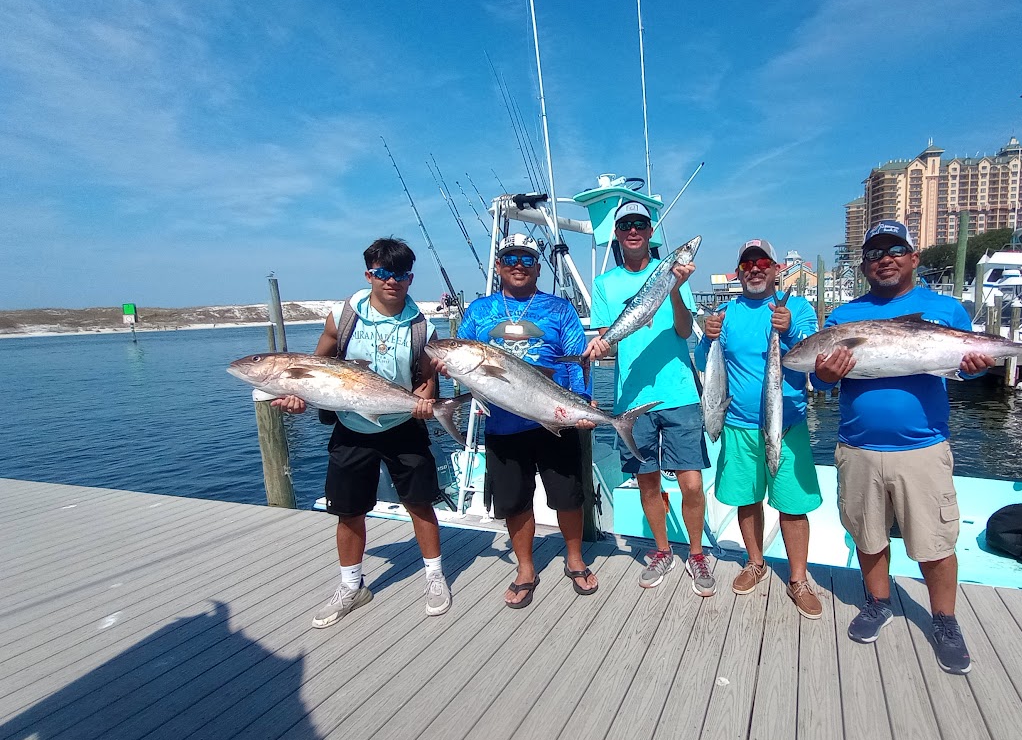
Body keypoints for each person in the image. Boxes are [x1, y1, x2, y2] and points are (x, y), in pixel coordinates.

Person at [813, 220, 995, 674]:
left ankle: (945, 620)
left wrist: (974, 368)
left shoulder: (946, 309)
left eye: (895, 249)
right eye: (874, 253)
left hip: (923, 448)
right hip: (856, 447)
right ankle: (878, 602)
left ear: (914, 257)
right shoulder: (844, 317)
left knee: (934, 542)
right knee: (868, 536)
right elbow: (818, 377)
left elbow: (967, 368)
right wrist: (825, 376)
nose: (884, 259)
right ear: (863, 266)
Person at [272, 237, 449, 627]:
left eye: (400, 275)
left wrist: (425, 401)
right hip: (352, 426)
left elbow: (426, 379)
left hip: (401, 425)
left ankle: (434, 576)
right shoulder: (343, 315)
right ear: (369, 273)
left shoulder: (424, 327)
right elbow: (314, 366)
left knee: (420, 502)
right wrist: (295, 394)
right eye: (383, 273)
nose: (392, 282)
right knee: (348, 510)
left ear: (410, 278)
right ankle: (352, 586)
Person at [454, 233, 599, 608]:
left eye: (527, 259)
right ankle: (525, 568)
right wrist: (447, 367)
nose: (519, 265)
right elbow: (462, 359)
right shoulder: (478, 311)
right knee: (514, 502)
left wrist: (581, 403)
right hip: (502, 425)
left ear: (538, 266)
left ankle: (575, 559)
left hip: (554, 420)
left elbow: (574, 359)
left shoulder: (560, 309)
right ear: (499, 265)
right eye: (511, 258)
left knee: (568, 498)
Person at [583, 201, 714, 597]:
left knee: (691, 483)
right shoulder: (605, 284)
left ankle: (695, 554)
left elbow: (684, 329)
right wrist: (597, 348)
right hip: (632, 400)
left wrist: (674, 289)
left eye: (640, 224)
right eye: (626, 225)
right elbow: (609, 341)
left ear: (650, 231)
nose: (634, 230)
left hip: (679, 394)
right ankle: (661, 551)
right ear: (618, 234)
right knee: (647, 481)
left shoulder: (675, 274)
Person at [696, 240, 824, 618]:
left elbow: (811, 355)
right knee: (747, 499)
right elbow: (706, 361)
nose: (754, 268)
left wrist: (785, 333)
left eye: (762, 262)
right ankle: (756, 563)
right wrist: (708, 334)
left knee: (792, 505)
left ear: (775, 268)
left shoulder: (796, 308)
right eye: (747, 263)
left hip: (786, 425)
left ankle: (798, 578)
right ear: (739, 272)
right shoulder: (725, 312)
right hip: (735, 426)